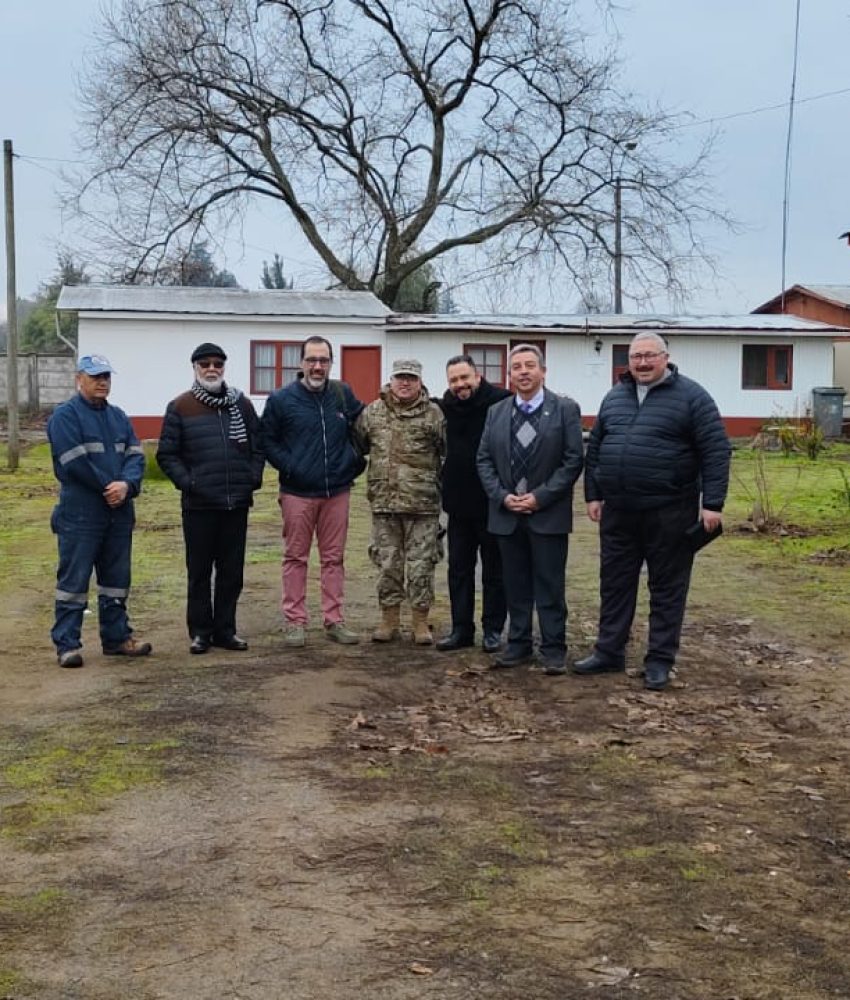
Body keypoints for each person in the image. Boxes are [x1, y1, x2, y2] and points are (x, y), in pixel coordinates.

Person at [574, 332, 731, 691]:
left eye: (649, 356)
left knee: (667, 587)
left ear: (666, 357)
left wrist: (713, 504)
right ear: (628, 361)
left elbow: (716, 450)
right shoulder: (615, 397)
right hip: (619, 512)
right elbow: (596, 448)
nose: (642, 363)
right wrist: (593, 494)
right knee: (614, 585)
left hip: (670, 511)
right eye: (635, 357)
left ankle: (660, 660)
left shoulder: (693, 397)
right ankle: (609, 652)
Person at [476, 344, 584, 675]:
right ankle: (519, 644)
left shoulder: (564, 409)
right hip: (507, 514)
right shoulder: (497, 412)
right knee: (515, 584)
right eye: (516, 367)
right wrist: (502, 497)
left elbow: (573, 460)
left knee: (550, 585)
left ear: (543, 371)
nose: (523, 372)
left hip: (546, 514)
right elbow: (484, 459)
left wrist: (540, 497)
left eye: (529, 366)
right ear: (509, 375)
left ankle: (553, 649)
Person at [156, 343, 264, 654]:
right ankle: (200, 632)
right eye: (205, 364)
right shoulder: (180, 406)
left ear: (224, 367)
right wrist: (189, 483)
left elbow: (258, 445)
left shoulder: (241, 404)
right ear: (195, 368)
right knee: (200, 572)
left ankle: (225, 631)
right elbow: (167, 454)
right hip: (199, 505)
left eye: (217, 363)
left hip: (235, 504)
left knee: (232, 572)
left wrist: (252, 478)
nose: (211, 368)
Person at [47, 354, 152, 668]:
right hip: (81, 513)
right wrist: (111, 486)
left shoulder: (119, 417)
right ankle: (67, 644)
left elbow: (136, 456)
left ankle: (117, 638)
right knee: (73, 581)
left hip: (118, 513)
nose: (103, 381)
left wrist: (127, 486)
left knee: (116, 580)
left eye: (106, 376)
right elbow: (74, 462)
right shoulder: (65, 417)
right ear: (79, 378)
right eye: (95, 376)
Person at [260, 336, 365, 647]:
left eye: (324, 360)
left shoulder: (342, 395)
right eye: (312, 360)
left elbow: (364, 428)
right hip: (298, 493)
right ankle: (295, 621)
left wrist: (353, 463)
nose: (318, 366)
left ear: (331, 363)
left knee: (334, 559)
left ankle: (334, 620)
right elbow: (266, 441)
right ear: (301, 363)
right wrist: (291, 467)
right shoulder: (281, 399)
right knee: (296, 557)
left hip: (337, 492)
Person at [355, 358, 446, 645]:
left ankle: (420, 622)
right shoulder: (372, 413)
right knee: (388, 564)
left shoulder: (434, 415)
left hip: (423, 506)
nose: (404, 383)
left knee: (422, 566)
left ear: (420, 382)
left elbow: (446, 452)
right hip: (385, 505)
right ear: (390, 381)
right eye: (399, 377)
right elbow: (359, 446)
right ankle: (389, 620)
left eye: (410, 378)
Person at [435, 355, 511, 653]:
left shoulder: (501, 403)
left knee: (495, 571)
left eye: (464, 377)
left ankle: (493, 630)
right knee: (459, 570)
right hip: (457, 504)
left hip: (492, 502)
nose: (460, 384)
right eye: (454, 380)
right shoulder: (445, 408)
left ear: (477, 376)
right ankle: (461, 629)